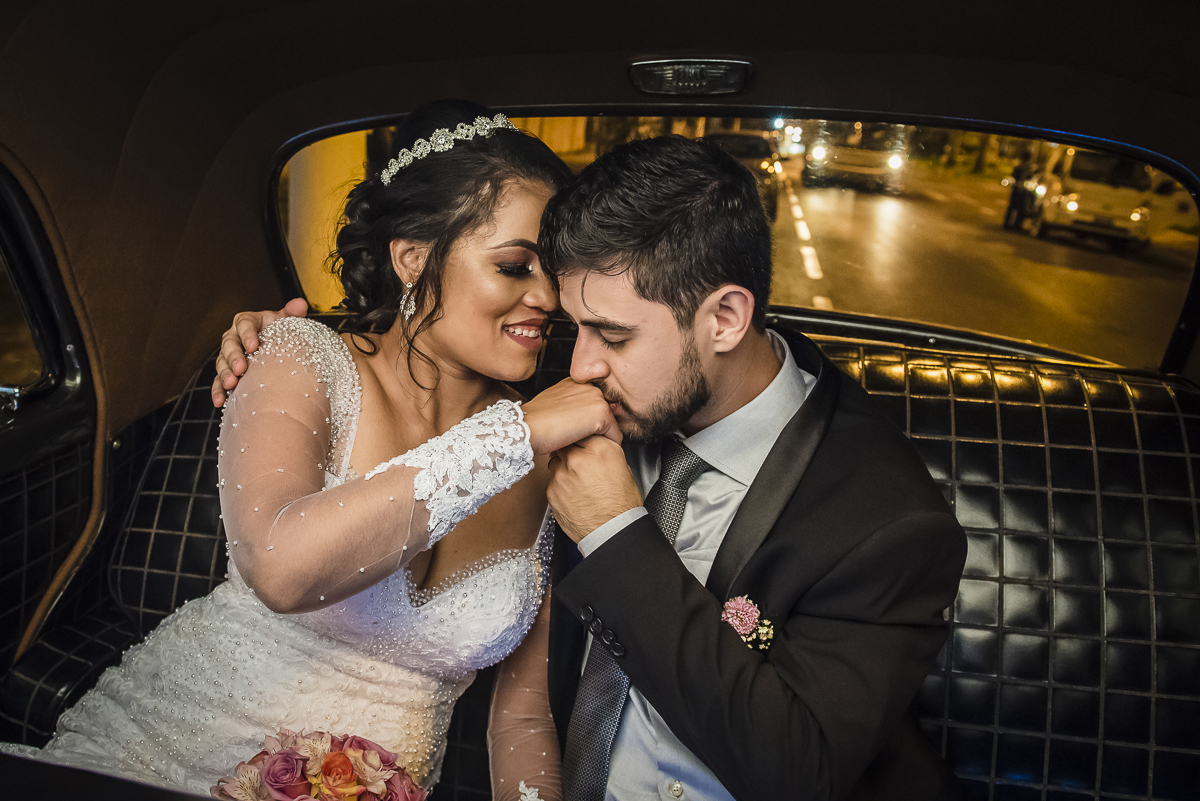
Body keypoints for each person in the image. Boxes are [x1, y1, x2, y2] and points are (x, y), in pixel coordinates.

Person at [218, 134, 967, 801]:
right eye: (574, 329)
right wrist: (267, 340)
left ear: (727, 319)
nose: (577, 365)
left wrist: (615, 531)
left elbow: (797, 771)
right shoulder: (572, 395)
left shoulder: (888, 523)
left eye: (609, 334)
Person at [1, 100, 619, 801]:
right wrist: (516, 434)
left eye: (556, 272)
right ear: (414, 258)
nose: (547, 296)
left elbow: (523, 716)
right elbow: (283, 567)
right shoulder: (300, 356)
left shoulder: (553, 459)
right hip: (162, 753)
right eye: (515, 266)